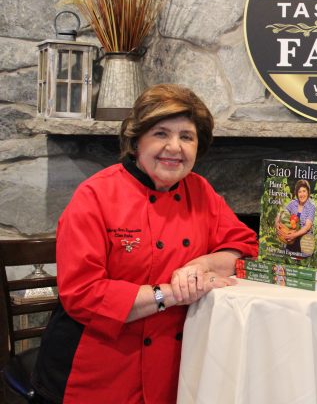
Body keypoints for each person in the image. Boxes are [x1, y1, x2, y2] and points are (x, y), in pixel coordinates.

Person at [31, 84, 258, 404]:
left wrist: (201, 265)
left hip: (175, 365)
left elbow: (245, 245)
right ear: (136, 140)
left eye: (187, 137)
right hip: (97, 371)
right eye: (161, 133)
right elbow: (82, 294)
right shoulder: (94, 196)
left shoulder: (200, 191)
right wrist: (171, 293)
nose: (174, 147)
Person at [276, 179, 316, 253]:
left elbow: (307, 227)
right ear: (297, 193)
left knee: (302, 258)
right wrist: (277, 223)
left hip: (305, 242)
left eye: (304, 191)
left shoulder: (311, 207)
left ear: (308, 192)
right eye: (299, 192)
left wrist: (293, 235)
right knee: (289, 257)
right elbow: (281, 213)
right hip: (291, 241)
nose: (302, 194)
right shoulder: (293, 203)